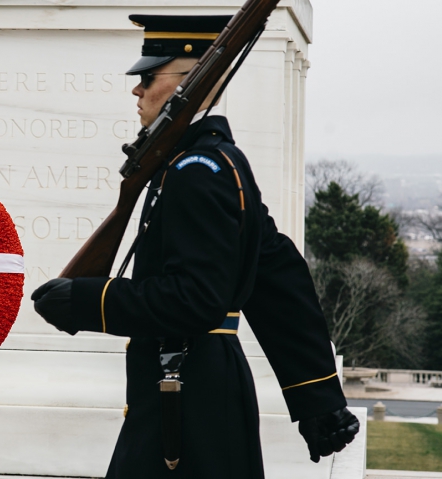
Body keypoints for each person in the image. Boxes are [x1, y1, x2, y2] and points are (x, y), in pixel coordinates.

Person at [31, 14, 359, 479]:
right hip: (193, 388)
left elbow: (196, 299)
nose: (136, 90)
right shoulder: (207, 163)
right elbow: (276, 276)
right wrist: (316, 396)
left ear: (190, 80)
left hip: (187, 399)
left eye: (147, 77)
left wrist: (90, 301)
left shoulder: (196, 170)